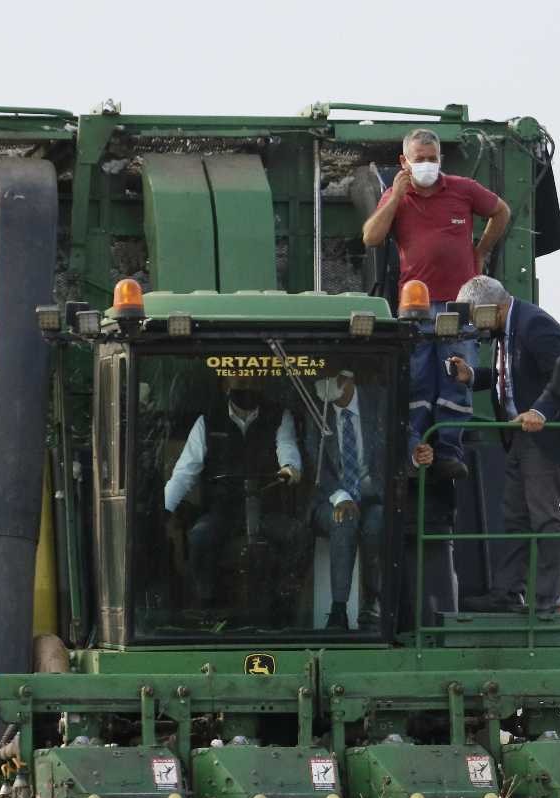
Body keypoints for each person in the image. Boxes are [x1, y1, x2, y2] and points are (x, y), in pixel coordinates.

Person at [362, 129, 512, 480]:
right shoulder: (396, 196)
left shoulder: (462, 189)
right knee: (415, 379)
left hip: (459, 305)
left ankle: (447, 451)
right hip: (415, 308)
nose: (427, 165)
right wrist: (397, 195)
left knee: (455, 378)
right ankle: (414, 449)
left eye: (433, 158)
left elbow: (500, 212)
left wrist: (481, 250)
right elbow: (371, 236)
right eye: (420, 159)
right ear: (405, 162)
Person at [447, 275, 560, 614]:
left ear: (493, 308)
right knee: (513, 515)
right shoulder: (505, 331)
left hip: (547, 435)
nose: (474, 324)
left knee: (543, 515)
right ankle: (507, 593)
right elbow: (509, 379)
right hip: (520, 437)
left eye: (475, 315)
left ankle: (548, 599)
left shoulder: (535, 325)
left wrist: (539, 411)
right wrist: (473, 376)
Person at [163, 378, 306, 612]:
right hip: (224, 510)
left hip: (265, 509)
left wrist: (290, 466)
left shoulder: (280, 416)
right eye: (240, 382)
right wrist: (165, 509)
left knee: (298, 535)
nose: (247, 387)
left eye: (253, 383)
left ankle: (284, 602)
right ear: (226, 386)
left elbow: (287, 446)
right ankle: (206, 604)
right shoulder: (207, 421)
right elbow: (184, 473)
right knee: (199, 537)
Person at [304, 369, 385, 630]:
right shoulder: (315, 410)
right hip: (332, 496)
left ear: (348, 378)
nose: (322, 385)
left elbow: (395, 445)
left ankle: (373, 601)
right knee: (344, 520)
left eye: (329, 378)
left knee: (377, 525)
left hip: (374, 495)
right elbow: (314, 461)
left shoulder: (379, 401)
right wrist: (340, 496)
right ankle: (338, 611)